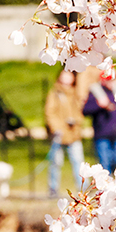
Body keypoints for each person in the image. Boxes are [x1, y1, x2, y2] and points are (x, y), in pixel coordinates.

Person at [43, 69, 87, 198]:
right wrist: (56, 128)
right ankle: (53, 189)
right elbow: (49, 112)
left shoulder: (76, 93)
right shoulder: (55, 93)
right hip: (59, 134)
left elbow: (80, 112)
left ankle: (84, 188)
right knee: (55, 163)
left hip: (73, 134)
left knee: (79, 162)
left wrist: (76, 122)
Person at [83, 63, 116, 175]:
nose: (110, 82)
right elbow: (85, 110)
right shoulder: (95, 92)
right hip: (101, 134)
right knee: (104, 163)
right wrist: (99, 105)